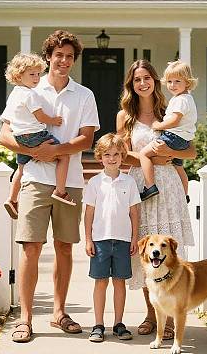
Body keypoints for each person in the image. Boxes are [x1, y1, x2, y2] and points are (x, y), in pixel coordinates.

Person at [0, 30, 99, 343]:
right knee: (31, 247)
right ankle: (25, 319)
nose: (64, 61)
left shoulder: (84, 95)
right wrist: (33, 152)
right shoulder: (28, 87)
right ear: (48, 57)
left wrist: (54, 151)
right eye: (59, 56)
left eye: (69, 56)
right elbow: (4, 136)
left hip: (69, 182)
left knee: (64, 247)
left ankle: (59, 312)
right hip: (33, 181)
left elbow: (87, 139)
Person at [116, 59, 195, 340]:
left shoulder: (170, 110)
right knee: (149, 254)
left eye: (147, 78)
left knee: (170, 253)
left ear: (155, 81)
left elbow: (191, 152)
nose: (142, 83)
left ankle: (173, 317)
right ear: (131, 85)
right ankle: (152, 315)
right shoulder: (125, 116)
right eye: (137, 79)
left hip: (169, 185)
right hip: (141, 185)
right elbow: (123, 155)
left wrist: (164, 158)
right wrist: (154, 157)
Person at [1, 52, 73, 220]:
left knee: (21, 169)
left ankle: (12, 199)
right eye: (32, 74)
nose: (36, 78)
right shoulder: (30, 94)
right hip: (35, 135)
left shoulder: (14, 93)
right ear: (19, 75)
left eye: (38, 74)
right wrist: (53, 121)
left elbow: (10, 118)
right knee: (64, 156)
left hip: (19, 136)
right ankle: (60, 191)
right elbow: (40, 116)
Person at [84, 133, 141, 343]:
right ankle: (98, 325)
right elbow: (88, 213)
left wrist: (135, 238)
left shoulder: (129, 181)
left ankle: (118, 323)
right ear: (100, 156)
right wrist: (88, 239)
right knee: (100, 282)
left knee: (119, 283)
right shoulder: (95, 183)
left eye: (116, 154)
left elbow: (134, 212)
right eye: (107, 154)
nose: (111, 158)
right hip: (100, 240)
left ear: (122, 156)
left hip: (123, 240)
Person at [138, 60, 198, 202]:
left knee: (144, 154)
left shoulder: (180, 100)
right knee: (178, 166)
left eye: (177, 81)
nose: (173, 85)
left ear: (187, 83)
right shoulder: (186, 99)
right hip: (183, 140)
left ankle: (150, 186)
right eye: (170, 81)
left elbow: (174, 121)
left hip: (173, 137)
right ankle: (185, 195)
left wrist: (159, 126)